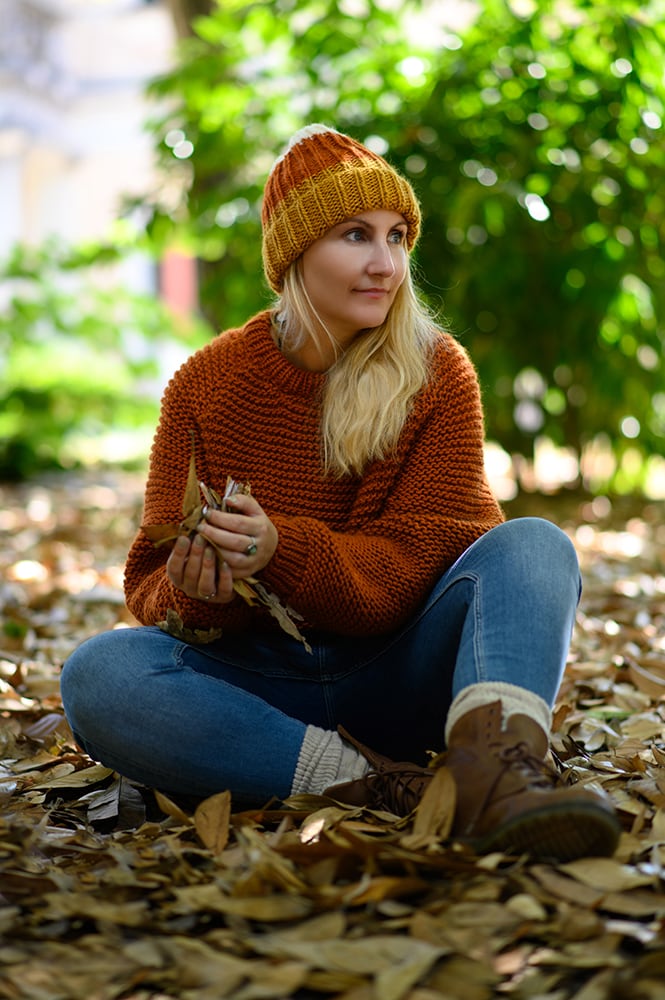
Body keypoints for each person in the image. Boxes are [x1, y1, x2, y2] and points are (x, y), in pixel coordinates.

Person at [61, 124, 620, 861]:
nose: (385, 264)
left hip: (402, 673)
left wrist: (279, 548)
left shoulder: (433, 371)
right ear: (294, 255)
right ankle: (369, 785)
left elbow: (420, 562)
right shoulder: (205, 385)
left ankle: (495, 776)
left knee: (534, 546)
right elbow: (153, 588)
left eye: (396, 237)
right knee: (97, 674)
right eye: (356, 236)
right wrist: (201, 592)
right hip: (263, 697)